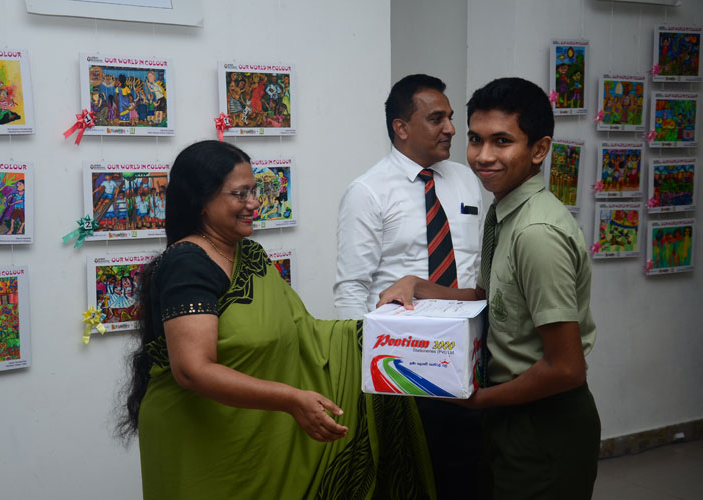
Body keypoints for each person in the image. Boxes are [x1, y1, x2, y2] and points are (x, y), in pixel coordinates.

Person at [117, 140, 435, 500]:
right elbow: (192, 370)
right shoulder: (187, 263)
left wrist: (380, 329)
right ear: (201, 201)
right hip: (201, 446)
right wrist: (291, 399)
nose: (254, 203)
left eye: (254, 191)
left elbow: (304, 332)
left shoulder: (249, 255)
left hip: (255, 440)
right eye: (240, 194)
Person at [379, 77, 600, 500]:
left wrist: (480, 401)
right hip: (507, 411)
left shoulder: (535, 232)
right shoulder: (502, 213)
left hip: (542, 420)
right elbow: (487, 299)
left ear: (539, 149)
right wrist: (418, 285)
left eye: (502, 141)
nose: (483, 156)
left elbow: (566, 368)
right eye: (476, 140)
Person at [334, 73, 483, 499]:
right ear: (401, 127)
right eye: (436, 119)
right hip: (403, 365)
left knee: (466, 475)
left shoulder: (466, 179)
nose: (450, 128)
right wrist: (364, 374)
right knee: (410, 479)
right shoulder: (368, 191)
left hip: (468, 356)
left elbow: (475, 268)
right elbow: (351, 288)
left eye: (450, 118)